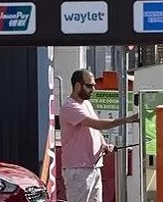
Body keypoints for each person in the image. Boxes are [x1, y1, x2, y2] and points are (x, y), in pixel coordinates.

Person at [60, 69, 140, 202]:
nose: (93, 89)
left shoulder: (86, 104)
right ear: (78, 85)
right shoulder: (70, 107)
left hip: (94, 166)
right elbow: (98, 124)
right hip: (78, 170)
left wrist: (103, 144)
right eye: (89, 86)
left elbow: (95, 130)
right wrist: (127, 119)